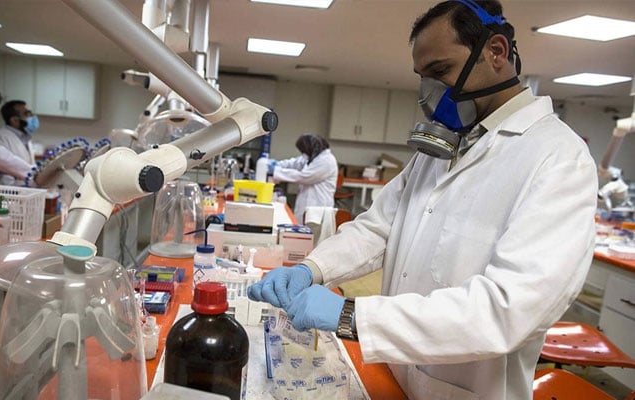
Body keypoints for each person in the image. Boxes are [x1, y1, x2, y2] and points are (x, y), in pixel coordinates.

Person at [248, 1, 597, 399]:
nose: (430, 92)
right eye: (423, 77)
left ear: (496, 52)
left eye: (441, 71)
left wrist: (351, 316)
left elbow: (507, 310)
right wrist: (313, 268)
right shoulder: (440, 151)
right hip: (392, 375)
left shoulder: (558, 159)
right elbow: (377, 228)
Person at [268, 133, 338, 223]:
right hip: (307, 204)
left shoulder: (326, 161)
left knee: (314, 234)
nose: (303, 154)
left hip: (319, 207)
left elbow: (305, 177)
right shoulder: (313, 156)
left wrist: (276, 171)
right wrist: (278, 164)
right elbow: (295, 163)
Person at [0, 100, 39, 185]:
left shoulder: (25, 137)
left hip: (26, 188)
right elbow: (4, 172)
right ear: (14, 120)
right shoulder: (0, 137)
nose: (32, 117)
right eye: (27, 114)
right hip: (10, 192)